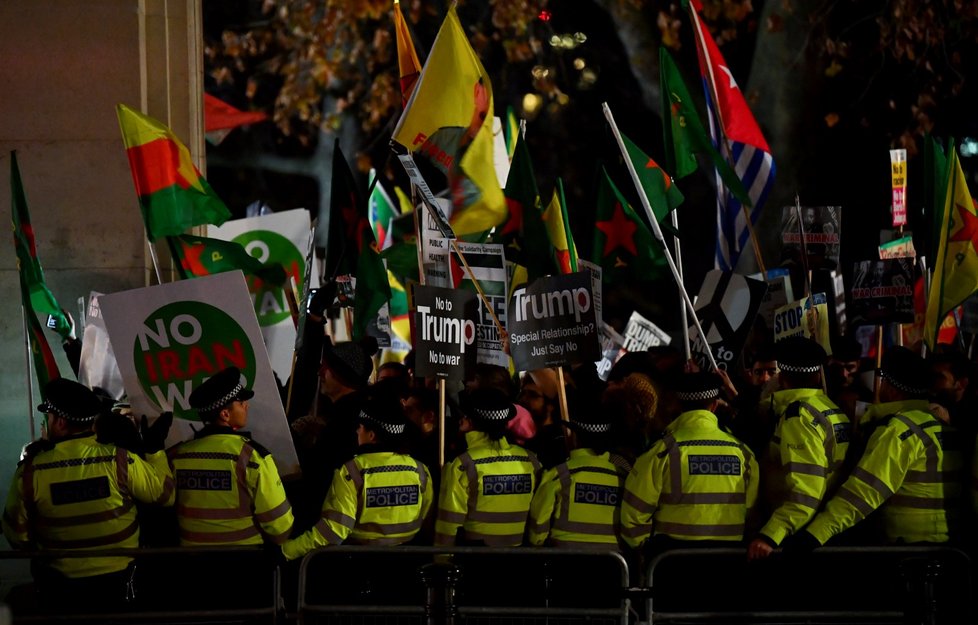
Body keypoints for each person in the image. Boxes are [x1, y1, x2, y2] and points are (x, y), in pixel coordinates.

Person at [2, 378, 174, 609]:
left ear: (60, 422)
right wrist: (155, 451)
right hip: (121, 586)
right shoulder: (120, 460)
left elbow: (18, 538)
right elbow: (164, 495)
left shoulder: (31, 472)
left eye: (50, 417)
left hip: (61, 591)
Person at [786, 347, 964, 550]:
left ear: (893, 388)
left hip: (907, 549)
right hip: (948, 546)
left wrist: (814, 535)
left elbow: (864, 492)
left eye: (883, 378)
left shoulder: (899, 430)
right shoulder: (942, 427)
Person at [281, 393, 434, 559]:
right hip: (408, 562)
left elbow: (334, 530)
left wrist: (288, 550)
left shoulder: (352, 471)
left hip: (362, 563)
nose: (356, 430)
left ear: (371, 435)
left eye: (360, 426)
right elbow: (427, 519)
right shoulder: (420, 471)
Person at [620, 371, 758, 554]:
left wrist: (647, 552)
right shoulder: (743, 454)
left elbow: (633, 514)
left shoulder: (661, 452)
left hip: (672, 563)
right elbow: (752, 512)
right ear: (714, 405)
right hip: (729, 561)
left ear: (678, 405)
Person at [747, 336, 851, 560]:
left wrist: (770, 535)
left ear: (781, 377)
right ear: (816, 375)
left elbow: (806, 491)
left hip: (799, 538)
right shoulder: (830, 408)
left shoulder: (799, 417)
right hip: (823, 530)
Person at [168, 367, 293, 546]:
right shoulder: (253, 457)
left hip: (191, 564)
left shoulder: (177, 456)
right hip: (243, 563)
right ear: (225, 414)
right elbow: (280, 527)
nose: (246, 406)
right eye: (241, 402)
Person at [434, 388, 542, 546]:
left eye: (464, 415)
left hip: (475, 558)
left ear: (468, 421)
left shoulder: (462, 466)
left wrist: (442, 561)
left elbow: (448, 523)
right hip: (520, 558)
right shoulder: (531, 461)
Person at [527, 406, 629, 548]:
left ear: (575, 437)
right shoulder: (623, 478)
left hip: (565, 562)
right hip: (612, 564)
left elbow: (537, 529)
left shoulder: (557, 475)